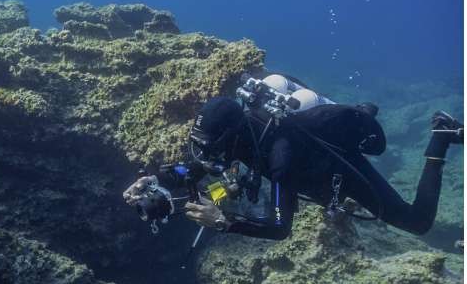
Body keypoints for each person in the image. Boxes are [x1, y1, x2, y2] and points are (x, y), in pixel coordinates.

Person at [123, 74, 463, 240]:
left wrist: (224, 221)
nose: (204, 155)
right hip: (304, 165)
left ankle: (441, 137)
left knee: (416, 223)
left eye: (210, 148)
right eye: (201, 146)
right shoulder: (238, 138)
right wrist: (156, 180)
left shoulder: (280, 156)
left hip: (336, 171)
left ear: (230, 138)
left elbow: (280, 227)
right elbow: (196, 168)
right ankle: (363, 110)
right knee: (224, 182)